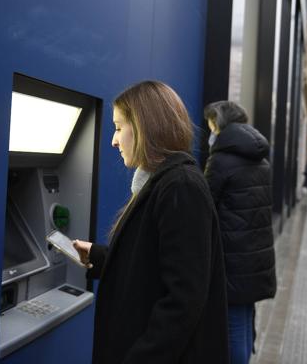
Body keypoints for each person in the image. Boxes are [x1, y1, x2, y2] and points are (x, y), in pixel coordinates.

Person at [72, 81, 229, 364]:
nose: (113, 140)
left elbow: (183, 300)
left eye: (119, 127)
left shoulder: (180, 186)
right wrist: (99, 256)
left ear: (146, 126)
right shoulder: (160, 183)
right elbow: (153, 265)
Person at [204, 101, 276, 364]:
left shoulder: (221, 160)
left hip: (231, 257)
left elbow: (205, 206)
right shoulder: (260, 158)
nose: (210, 131)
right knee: (245, 320)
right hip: (254, 255)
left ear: (220, 125)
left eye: (212, 125)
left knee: (233, 327)